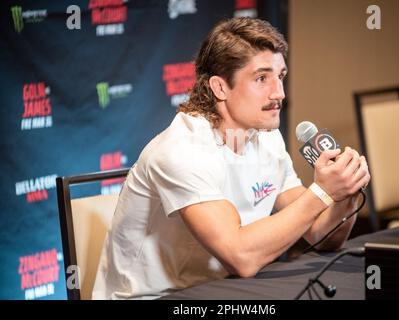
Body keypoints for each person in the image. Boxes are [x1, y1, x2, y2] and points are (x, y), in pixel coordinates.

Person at [92, 17, 370, 299]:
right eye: (262, 78)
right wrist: (321, 192)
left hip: (223, 289)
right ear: (220, 87)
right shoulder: (181, 150)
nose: (279, 94)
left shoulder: (266, 136)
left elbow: (321, 235)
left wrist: (342, 195)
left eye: (280, 77)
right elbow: (242, 257)